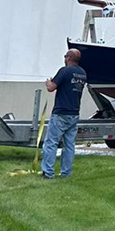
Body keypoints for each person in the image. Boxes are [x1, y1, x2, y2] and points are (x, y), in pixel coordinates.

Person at [42, 48, 87, 179]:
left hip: (61, 112)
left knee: (51, 143)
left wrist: (48, 82)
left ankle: (48, 173)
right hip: (74, 113)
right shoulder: (83, 73)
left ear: (68, 58)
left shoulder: (64, 70)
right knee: (69, 145)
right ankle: (66, 173)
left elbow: (51, 88)